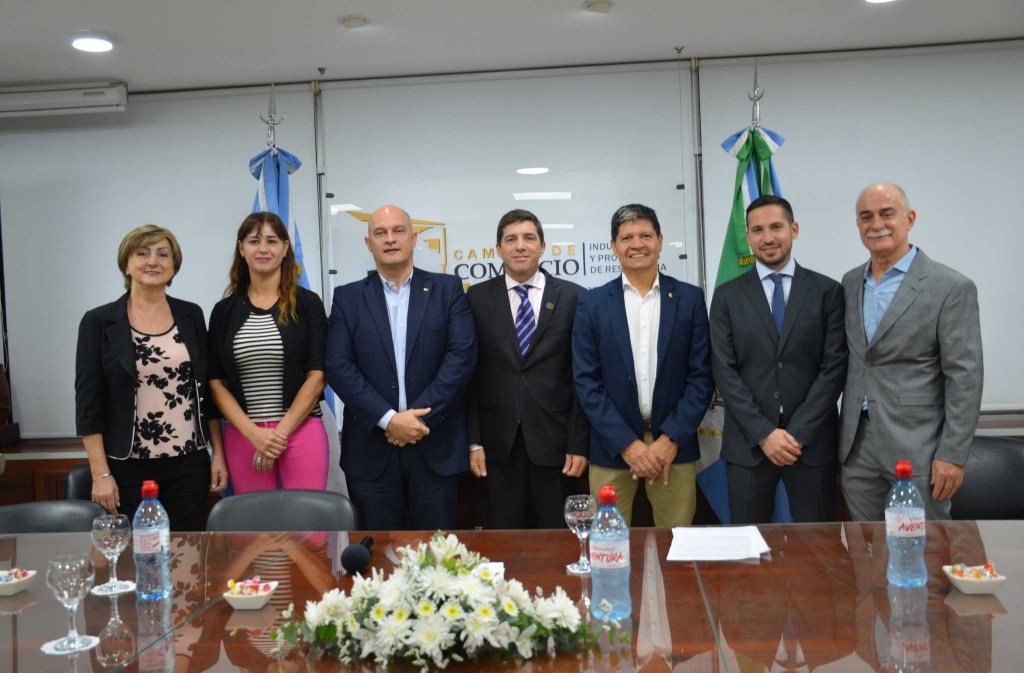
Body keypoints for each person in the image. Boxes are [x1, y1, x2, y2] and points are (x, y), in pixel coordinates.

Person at [325, 204, 477, 530]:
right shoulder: (347, 298)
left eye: (398, 231)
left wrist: (416, 420)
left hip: (435, 444)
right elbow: (338, 366)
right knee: (378, 553)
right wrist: (390, 420)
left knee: (438, 553)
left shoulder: (448, 289)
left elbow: (461, 357)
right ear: (368, 243)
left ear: (414, 238)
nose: (390, 239)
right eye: (380, 233)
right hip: (371, 451)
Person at [839, 183, 983, 521]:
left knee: (925, 546)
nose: (876, 224)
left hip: (920, 449)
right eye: (866, 217)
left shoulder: (950, 287)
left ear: (910, 218)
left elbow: (965, 378)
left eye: (887, 213)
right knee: (866, 547)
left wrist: (952, 454)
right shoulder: (849, 283)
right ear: (858, 225)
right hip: (856, 449)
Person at [75, 225, 227, 530]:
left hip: (189, 463)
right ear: (126, 264)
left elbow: (206, 393)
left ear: (173, 265)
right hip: (127, 466)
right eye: (142, 253)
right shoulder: (98, 321)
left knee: (188, 552)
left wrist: (218, 455)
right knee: (138, 553)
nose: (153, 261)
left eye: (163, 254)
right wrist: (100, 474)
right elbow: (88, 405)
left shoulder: (191, 315)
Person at [573, 203, 713, 527]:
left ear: (660, 241)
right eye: (626, 238)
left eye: (646, 235)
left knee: (676, 543)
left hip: (673, 449)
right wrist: (627, 444)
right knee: (608, 544)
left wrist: (670, 439)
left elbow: (701, 377)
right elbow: (586, 382)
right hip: (612, 448)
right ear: (613, 246)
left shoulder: (690, 299)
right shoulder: (592, 304)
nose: (637, 244)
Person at [709, 195, 848, 523]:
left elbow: (834, 369)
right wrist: (764, 433)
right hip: (749, 445)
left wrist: (797, 434)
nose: (767, 238)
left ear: (793, 229)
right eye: (757, 230)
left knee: (817, 545)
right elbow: (724, 370)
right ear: (747, 236)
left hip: (811, 445)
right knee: (747, 544)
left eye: (776, 227)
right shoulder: (727, 296)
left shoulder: (827, 291)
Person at [465, 209, 589, 529]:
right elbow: (469, 377)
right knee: (503, 542)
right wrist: (474, 441)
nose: (520, 246)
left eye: (529, 238)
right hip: (497, 448)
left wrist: (578, 443)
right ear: (498, 249)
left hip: (557, 447)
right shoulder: (476, 298)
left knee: (558, 541)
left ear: (543, 246)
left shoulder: (574, 298)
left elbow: (583, 378)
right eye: (511, 239)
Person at [207, 212, 329, 493]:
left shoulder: (308, 304)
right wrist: (255, 435)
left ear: (285, 248)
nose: (263, 249)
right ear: (241, 248)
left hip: (301, 429)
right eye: (254, 241)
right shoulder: (224, 311)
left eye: (272, 241)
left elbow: (318, 376)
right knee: (254, 520)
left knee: (307, 518)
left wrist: (277, 436)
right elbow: (215, 382)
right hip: (244, 434)